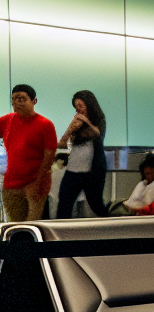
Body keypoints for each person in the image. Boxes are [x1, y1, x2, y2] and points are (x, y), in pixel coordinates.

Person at [1, 85, 58, 222]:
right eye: (14, 99)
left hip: (34, 183)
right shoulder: (8, 120)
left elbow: (49, 156)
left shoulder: (45, 124)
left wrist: (37, 184)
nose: (17, 103)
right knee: (15, 225)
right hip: (11, 183)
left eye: (22, 99)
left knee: (31, 226)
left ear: (34, 101)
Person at [55, 90, 107, 219]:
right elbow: (62, 143)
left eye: (81, 106)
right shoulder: (76, 123)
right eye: (76, 106)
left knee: (96, 203)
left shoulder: (99, 120)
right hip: (73, 170)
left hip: (92, 171)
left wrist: (87, 122)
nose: (78, 109)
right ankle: (62, 234)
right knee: (64, 203)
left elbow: (98, 135)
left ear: (90, 106)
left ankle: (114, 227)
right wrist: (70, 128)